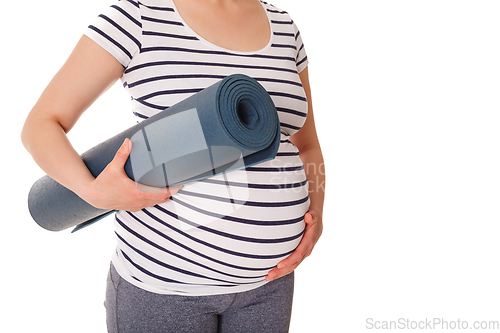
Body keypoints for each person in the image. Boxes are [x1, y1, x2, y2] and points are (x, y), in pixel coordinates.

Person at [21, 0, 325, 331]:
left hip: (270, 286)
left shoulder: (283, 25)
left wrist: (316, 215)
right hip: (164, 288)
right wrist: (90, 190)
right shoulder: (137, 16)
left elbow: (307, 146)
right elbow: (40, 125)